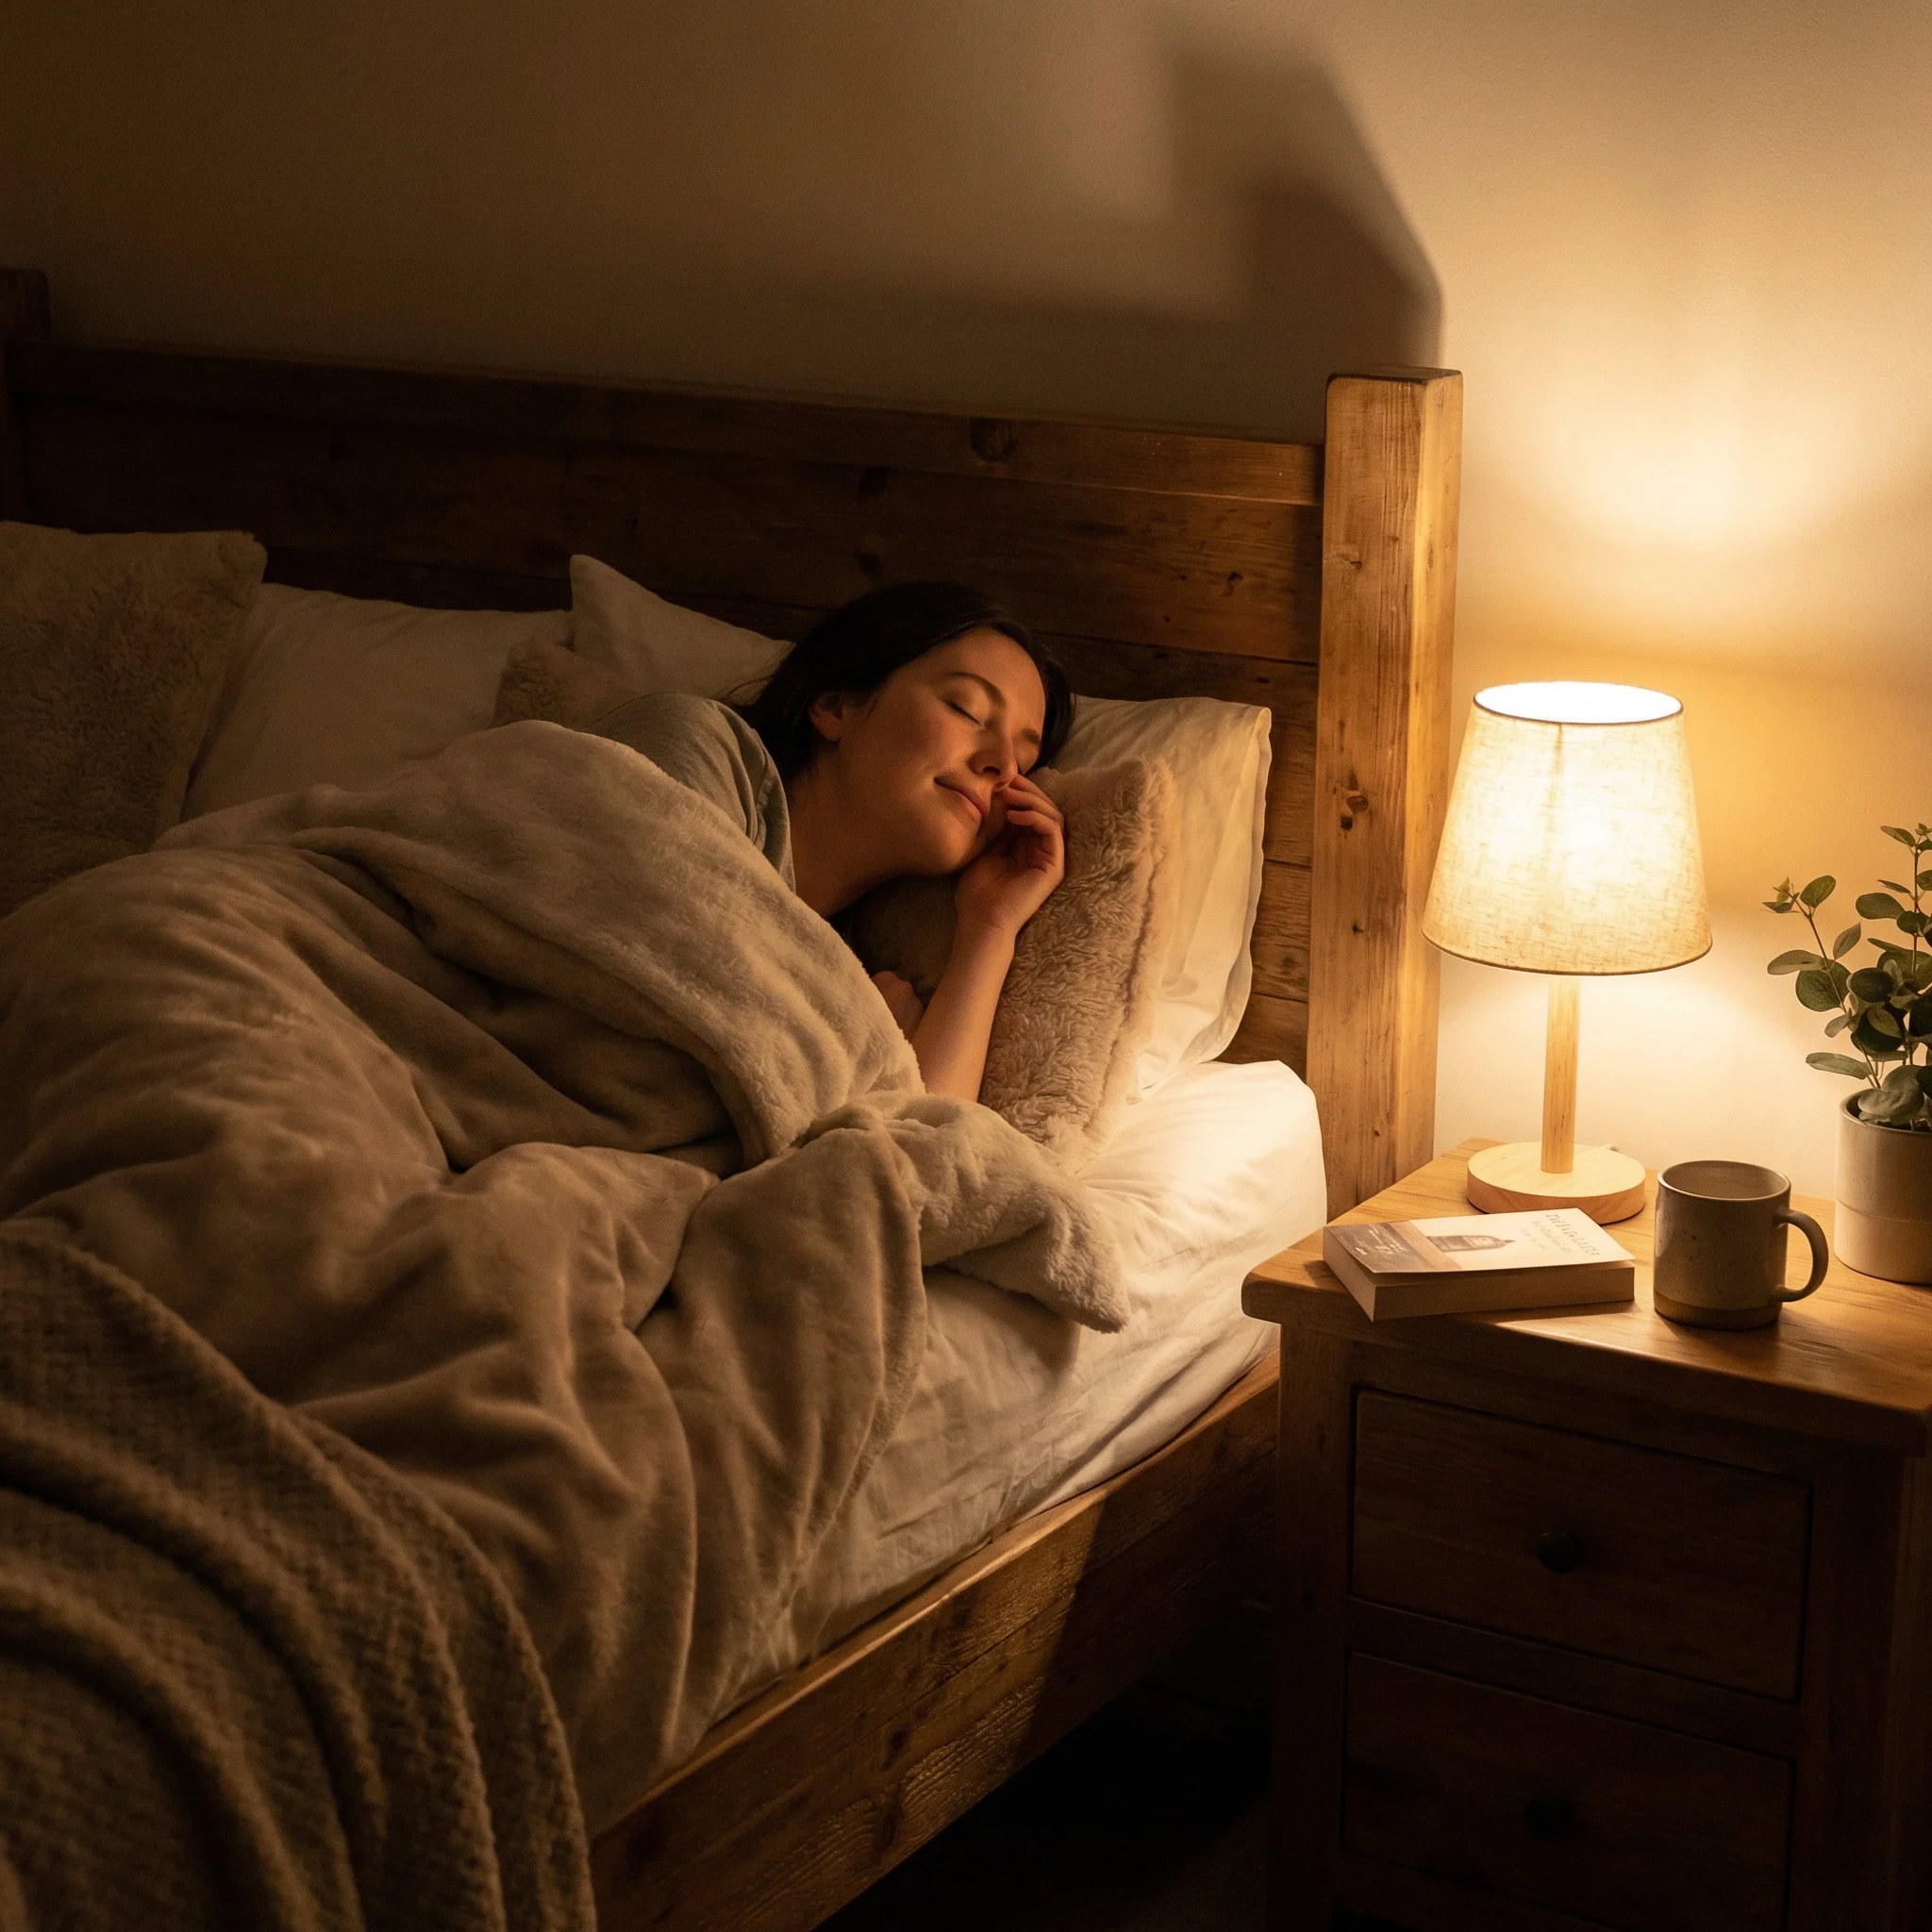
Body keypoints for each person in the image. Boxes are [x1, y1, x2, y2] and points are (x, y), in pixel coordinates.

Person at [587, 582, 1074, 1103]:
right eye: (967, 709)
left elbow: (930, 1141)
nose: (1003, 765)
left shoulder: (846, 965)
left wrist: (989, 929)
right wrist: (845, 1038)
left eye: (1025, 762)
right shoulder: (697, 745)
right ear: (836, 705)